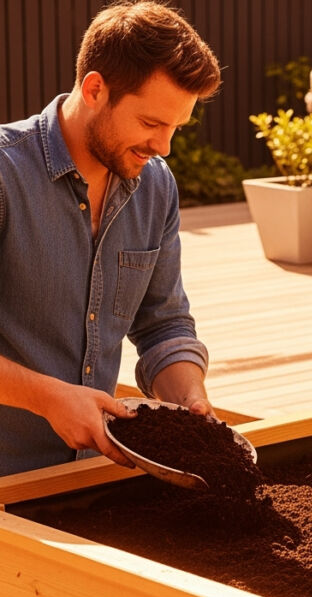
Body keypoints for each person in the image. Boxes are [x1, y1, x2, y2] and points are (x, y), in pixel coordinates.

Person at [0, 1, 221, 476]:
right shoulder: (4, 177)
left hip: (94, 478)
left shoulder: (155, 185)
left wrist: (189, 399)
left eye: (175, 128)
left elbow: (163, 323)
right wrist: (49, 399)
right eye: (150, 124)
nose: (163, 147)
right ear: (95, 89)